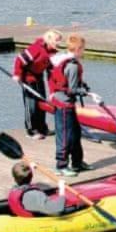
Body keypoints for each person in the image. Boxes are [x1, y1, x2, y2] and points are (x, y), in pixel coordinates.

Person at [48, 32, 91, 176]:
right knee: (65, 135)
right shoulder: (72, 66)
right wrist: (83, 92)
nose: (84, 51)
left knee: (76, 134)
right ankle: (61, 165)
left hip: (68, 104)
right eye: (83, 48)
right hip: (63, 105)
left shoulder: (70, 61)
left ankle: (77, 163)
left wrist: (83, 84)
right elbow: (72, 90)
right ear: (78, 49)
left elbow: (72, 82)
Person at [13, 29, 62, 139]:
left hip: (39, 77)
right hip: (27, 78)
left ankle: (42, 128)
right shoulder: (36, 48)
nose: (59, 43)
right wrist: (17, 74)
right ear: (49, 40)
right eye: (57, 40)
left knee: (42, 102)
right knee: (31, 105)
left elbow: (51, 73)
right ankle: (31, 131)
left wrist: (53, 90)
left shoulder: (53, 52)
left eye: (60, 41)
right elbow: (19, 59)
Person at [6, 161, 83, 217]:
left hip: (23, 214)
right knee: (79, 206)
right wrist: (62, 189)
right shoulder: (35, 195)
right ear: (31, 176)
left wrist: (31, 168)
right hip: (39, 220)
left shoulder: (14, 189)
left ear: (14, 178)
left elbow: (23, 177)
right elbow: (57, 210)